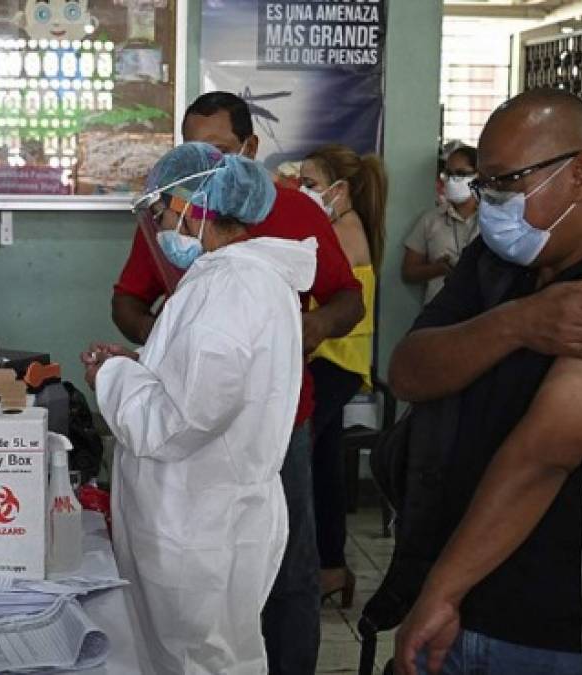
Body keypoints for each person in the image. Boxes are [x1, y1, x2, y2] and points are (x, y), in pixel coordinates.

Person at [391, 89, 582, 674]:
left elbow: (542, 459)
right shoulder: (498, 265)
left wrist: (442, 591)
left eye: (505, 182)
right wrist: (516, 325)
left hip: (570, 628)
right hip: (474, 601)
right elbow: (409, 371)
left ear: (581, 173)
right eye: (484, 185)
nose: (490, 203)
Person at [112, 91, 364, 674]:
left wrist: (315, 325)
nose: (204, 166)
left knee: (282, 565)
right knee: (197, 575)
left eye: (219, 151)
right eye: (192, 150)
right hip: (191, 424)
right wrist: (165, 337)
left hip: (274, 423)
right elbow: (127, 300)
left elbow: (347, 298)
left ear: (250, 148)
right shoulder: (171, 216)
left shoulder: (296, 213)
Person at [84, 142, 315, 674]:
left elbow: (179, 421)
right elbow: (201, 381)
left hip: (198, 526)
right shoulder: (233, 280)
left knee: (201, 661)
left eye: (160, 209)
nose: (158, 223)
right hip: (208, 516)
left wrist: (111, 376)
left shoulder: (232, 287)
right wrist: (141, 363)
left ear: (195, 204)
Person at [298, 144, 387, 606]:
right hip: (332, 358)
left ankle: (306, 565)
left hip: (336, 360)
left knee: (298, 454)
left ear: (340, 189)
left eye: (310, 184)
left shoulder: (345, 230)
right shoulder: (337, 226)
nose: (301, 190)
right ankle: (332, 568)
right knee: (324, 467)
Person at [403, 145, 480, 304]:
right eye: (448, 174)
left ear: (478, 176)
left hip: (481, 313)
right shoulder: (430, 219)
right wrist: (436, 269)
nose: (452, 180)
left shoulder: (495, 219)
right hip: (438, 313)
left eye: (461, 174)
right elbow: (408, 271)